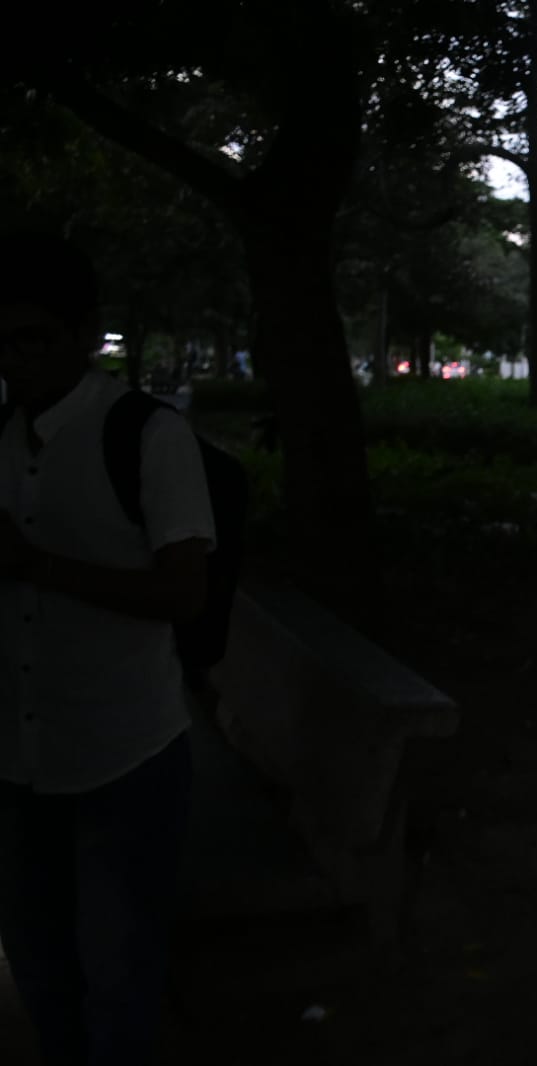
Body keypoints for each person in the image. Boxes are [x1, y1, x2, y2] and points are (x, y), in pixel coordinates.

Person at [0, 231, 214, 1066]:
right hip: (18, 758)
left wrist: (35, 565)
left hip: (124, 755)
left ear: (86, 333)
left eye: (35, 339)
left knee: (118, 980)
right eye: (2, 342)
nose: (17, 361)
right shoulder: (3, 436)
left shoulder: (145, 436)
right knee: (44, 968)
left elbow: (181, 592)